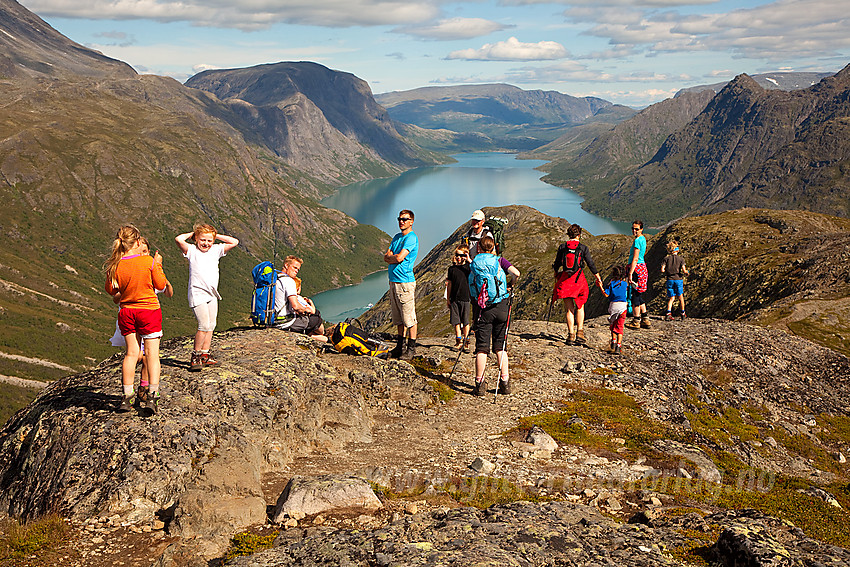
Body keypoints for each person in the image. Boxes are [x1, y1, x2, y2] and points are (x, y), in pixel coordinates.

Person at [104, 225, 169, 414]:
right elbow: (161, 284)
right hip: (148, 311)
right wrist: (157, 264)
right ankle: (152, 396)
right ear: (138, 242)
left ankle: (126, 397)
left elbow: (111, 291)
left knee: (131, 354)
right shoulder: (147, 261)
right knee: (152, 355)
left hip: (126, 312)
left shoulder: (114, 265)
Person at [175, 224, 239, 371]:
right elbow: (179, 239)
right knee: (203, 325)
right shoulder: (192, 250)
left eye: (209, 240)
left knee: (211, 325)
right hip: (197, 293)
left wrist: (215, 236)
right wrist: (193, 234)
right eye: (202, 239)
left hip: (212, 293)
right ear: (196, 239)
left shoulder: (216, 250)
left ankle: (205, 353)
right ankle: (196, 355)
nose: (206, 243)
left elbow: (234, 242)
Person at [468, 236, 512, 397]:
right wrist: (510, 284)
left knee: (482, 348)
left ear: (479, 248)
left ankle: (479, 384)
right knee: (500, 347)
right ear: (494, 247)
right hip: (501, 307)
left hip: (483, 309)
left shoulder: (474, 264)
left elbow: (471, 285)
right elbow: (517, 273)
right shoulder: (500, 261)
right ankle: (505, 383)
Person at [552, 223, 604, 346]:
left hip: (566, 279)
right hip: (578, 280)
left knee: (569, 309)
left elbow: (557, 263)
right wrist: (597, 276)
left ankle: (570, 335)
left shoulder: (562, 247)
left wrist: (556, 274)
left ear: (569, 234)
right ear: (579, 235)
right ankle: (580, 332)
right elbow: (590, 263)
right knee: (580, 306)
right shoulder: (583, 248)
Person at [384, 209, 419, 358]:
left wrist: (393, 257)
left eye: (404, 219)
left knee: (409, 318)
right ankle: (400, 346)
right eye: (399, 219)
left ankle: (411, 349)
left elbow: (398, 258)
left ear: (411, 221)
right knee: (398, 318)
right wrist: (393, 257)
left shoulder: (411, 238)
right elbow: (386, 256)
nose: (401, 221)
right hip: (393, 281)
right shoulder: (397, 237)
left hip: (405, 282)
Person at [273, 255, 327, 342]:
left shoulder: (275, 279)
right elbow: (295, 306)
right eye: (294, 268)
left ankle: (313, 336)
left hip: (273, 321)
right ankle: (321, 336)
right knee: (316, 318)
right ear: (286, 265)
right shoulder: (288, 281)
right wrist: (308, 310)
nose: (296, 271)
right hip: (286, 324)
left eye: (298, 269)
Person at [446, 245, 471, 350]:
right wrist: (448, 298)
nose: (459, 257)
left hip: (466, 297)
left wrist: (469, 260)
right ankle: (458, 340)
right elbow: (449, 284)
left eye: (461, 255)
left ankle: (466, 341)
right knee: (456, 320)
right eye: (457, 255)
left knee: (465, 321)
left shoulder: (468, 268)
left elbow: (477, 268)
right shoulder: (452, 269)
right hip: (454, 298)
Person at [626, 220, 650, 330]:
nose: (634, 230)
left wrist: (630, 273)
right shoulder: (643, 239)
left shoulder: (637, 241)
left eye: (637, 229)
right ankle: (645, 319)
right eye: (633, 228)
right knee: (639, 294)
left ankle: (636, 320)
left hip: (636, 270)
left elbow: (635, 258)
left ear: (641, 229)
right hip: (643, 268)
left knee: (635, 295)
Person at [600, 265, 629, 355]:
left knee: (613, 325)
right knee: (620, 327)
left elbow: (606, 294)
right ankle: (618, 346)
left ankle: (613, 341)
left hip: (613, 306)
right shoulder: (625, 284)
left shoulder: (611, 284)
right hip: (623, 307)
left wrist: (601, 286)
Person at [661, 239, 689, 320]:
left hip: (670, 279)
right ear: (677, 249)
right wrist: (687, 272)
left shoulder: (666, 259)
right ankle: (683, 313)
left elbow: (662, 269)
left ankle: (668, 313)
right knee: (680, 297)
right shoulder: (681, 259)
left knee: (671, 298)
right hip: (678, 279)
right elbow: (684, 270)